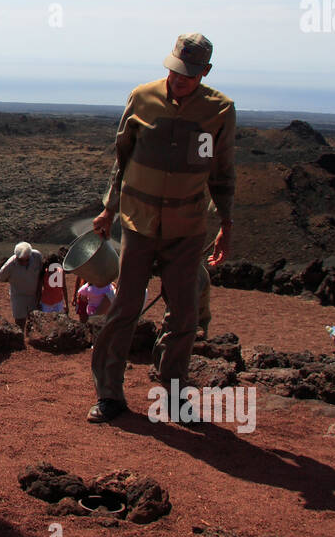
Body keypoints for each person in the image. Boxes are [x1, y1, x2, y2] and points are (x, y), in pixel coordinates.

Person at [88, 33, 235, 427]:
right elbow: (121, 159)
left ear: (205, 71)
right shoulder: (142, 98)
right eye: (174, 70)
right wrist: (108, 210)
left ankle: (173, 394)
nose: (179, 79)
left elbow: (221, 172)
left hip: (187, 229)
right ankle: (109, 394)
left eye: (188, 73)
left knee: (184, 315)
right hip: (138, 224)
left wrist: (227, 222)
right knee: (124, 309)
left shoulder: (219, 110)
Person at [0, 241, 43, 342]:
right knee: (20, 319)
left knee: (34, 318)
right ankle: (19, 340)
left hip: (34, 294)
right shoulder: (10, 264)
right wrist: (13, 281)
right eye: (20, 260)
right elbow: (0, 278)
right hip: (18, 295)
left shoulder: (37, 256)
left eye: (25, 260)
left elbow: (41, 273)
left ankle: (33, 341)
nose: (23, 263)